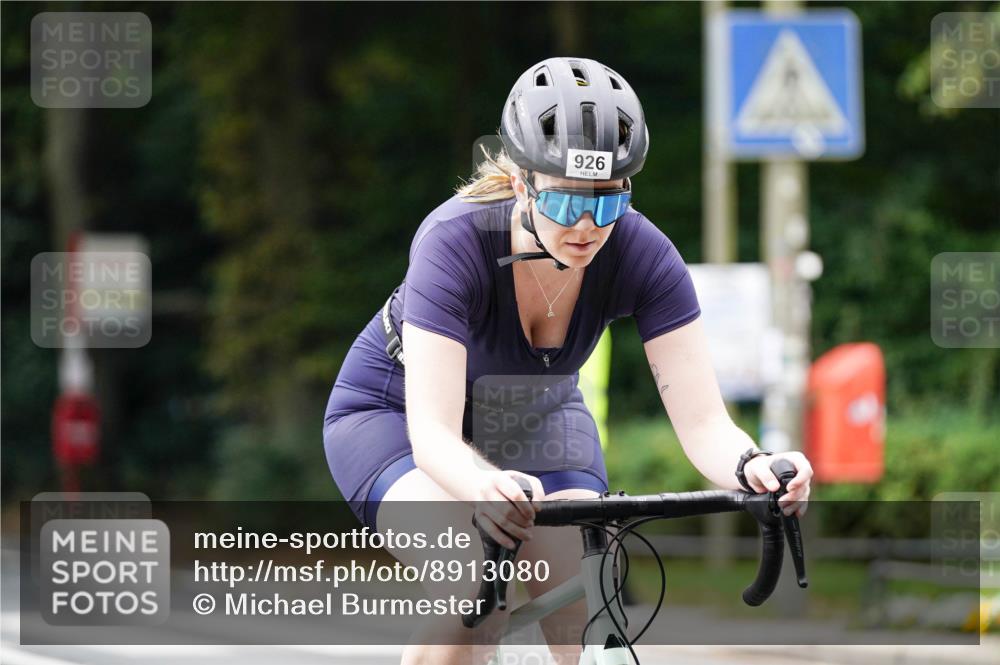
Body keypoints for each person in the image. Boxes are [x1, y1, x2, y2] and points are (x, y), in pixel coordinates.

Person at [323, 57, 813, 665]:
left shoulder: (643, 254)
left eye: (606, 205)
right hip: (394, 418)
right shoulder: (452, 243)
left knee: (583, 604)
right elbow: (433, 433)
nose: (585, 227)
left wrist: (754, 467)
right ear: (522, 182)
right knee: (473, 583)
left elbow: (705, 423)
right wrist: (481, 486)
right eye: (564, 203)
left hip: (537, 418)